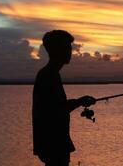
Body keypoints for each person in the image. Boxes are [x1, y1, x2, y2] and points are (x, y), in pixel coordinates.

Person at [32, 30, 96, 166]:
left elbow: (55, 106)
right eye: (67, 47)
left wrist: (79, 101)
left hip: (52, 142)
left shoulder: (49, 74)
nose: (70, 51)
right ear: (58, 50)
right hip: (53, 143)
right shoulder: (49, 75)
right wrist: (79, 102)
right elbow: (55, 110)